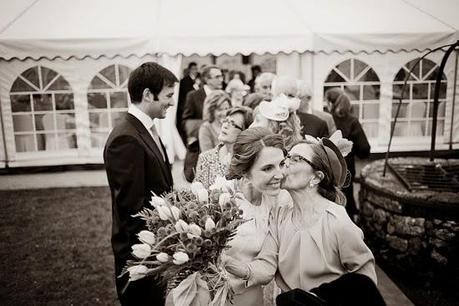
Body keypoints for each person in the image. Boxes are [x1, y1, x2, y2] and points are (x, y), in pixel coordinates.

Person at [225, 138, 385, 306]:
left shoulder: (337, 221)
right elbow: (267, 263)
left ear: (316, 177)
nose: (285, 163)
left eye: (296, 159)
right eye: (287, 157)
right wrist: (240, 269)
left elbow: (365, 281)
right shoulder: (280, 216)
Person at [103, 62, 178, 306]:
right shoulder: (126, 138)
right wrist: (155, 255)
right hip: (141, 256)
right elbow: (132, 210)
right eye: (168, 96)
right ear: (148, 94)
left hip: (158, 250)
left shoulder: (145, 130)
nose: (172, 102)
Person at [224, 127, 292, 306]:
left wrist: (242, 270)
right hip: (211, 294)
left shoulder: (279, 202)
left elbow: (270, 262)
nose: (279, 174)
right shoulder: (221, 199)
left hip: (250, 295)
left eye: (282, 164)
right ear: (245, 172)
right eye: (268, 168)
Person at [325, 89, 370, 221]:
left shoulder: (325, 119)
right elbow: (364, 149)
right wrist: (350, 151)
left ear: (330, 103)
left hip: (326, 167)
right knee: (346, 200)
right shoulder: (352, 121)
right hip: (346, 168)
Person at [194, 106, 253, 188]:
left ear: (244, 132)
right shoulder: (205, 158)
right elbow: (196, 193)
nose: (225, 126)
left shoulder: (247, 161)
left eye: (232, 124)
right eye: (226, 121)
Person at [182, 65, 223, 182]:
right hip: (199, 148)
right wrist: (208, 125)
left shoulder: (223, 95)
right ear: (206, 79)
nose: (221, 79)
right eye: (217, 76)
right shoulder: (193, 96)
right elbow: (185, 121)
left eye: (221, 76)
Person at [177, 62, 199, 143]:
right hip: (185, 107)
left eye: (196, 69)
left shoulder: (198, 80)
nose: (195, 71)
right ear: (189, 70)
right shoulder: (184, 81)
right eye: (193, 69)